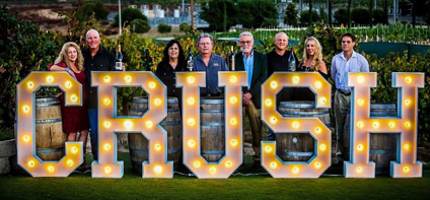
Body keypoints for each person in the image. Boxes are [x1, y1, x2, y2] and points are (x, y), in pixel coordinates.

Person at [48, 42, 89, 172]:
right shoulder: (63, 65)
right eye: (70, 52)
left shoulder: (79, 65)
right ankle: (71, 162)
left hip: (83, 103)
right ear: (66, 54)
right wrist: (66, 70)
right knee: (72, 131)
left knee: (84, 131)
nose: (72, 54)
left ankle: (80, 161)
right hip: (70, 104)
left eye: (74, 52)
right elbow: (51, 68)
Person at [331, 33, 369, 160]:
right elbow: (333, 75)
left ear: (353, 43)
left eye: (348, 42)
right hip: (340, 95)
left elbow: (366, 78)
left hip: (355, 96)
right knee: (339, 125)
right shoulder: (336, 59)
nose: (345, 44)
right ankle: (340, 153)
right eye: (343, 42)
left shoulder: (361, 60)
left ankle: (354, 154)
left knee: (355, 125)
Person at [234, 32, 267, 167]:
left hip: (255, 97)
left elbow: (263, 77)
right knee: (236, 126)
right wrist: (241, 94)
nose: (245, 44)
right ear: (239, 43)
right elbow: (231, 76)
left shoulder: (261, 58)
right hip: (237, 97)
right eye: (243, 42)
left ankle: (257, 154)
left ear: (252, 43)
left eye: (248, 42)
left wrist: (250, 94)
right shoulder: (234, 58)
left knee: (256, 124)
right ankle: (237, 155)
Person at [82, 29, 116, 163]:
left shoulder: (108, 55)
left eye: (95, 37)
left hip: (104, 100)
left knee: (104, 131)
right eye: (89, 38)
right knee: (94, 132)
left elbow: (116, 76)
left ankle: (106, 159)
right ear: (86, 40)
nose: (92, 40)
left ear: (99, 39)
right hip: (87, 100)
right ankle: (97, 159)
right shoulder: (81, 55)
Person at [265, 32, 298, 140]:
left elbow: (296, 73)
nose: (281, 42)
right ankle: (272, 149)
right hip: (273, 96)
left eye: (284, 40)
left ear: (287, 43)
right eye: (279, 40)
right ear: (275, 42)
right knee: (272, 124)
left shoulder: (292, 56)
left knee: (288, 123)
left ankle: (284, 147)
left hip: (289, 95)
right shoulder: (268, 57)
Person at [295, 36, 329, 101]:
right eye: (308, 46)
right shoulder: (301, 63)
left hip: (313, 97)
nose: (310, 48)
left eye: (312, 46)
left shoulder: (320, 63)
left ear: (317, 48)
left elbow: (324, 84)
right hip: (299, 96)